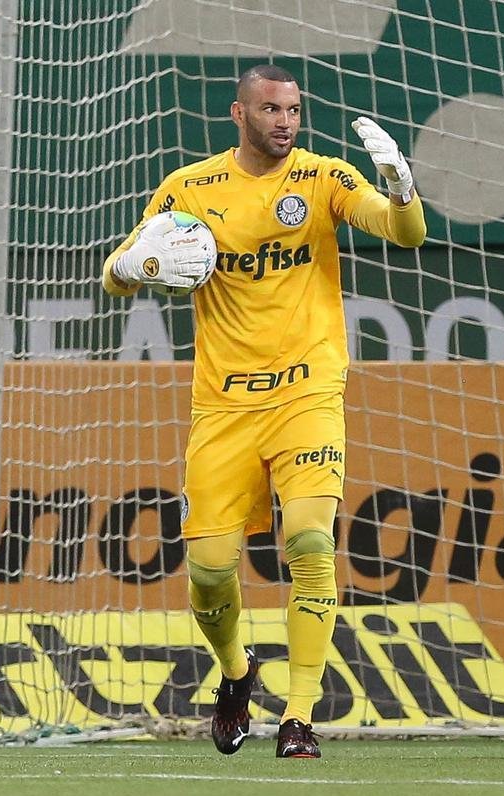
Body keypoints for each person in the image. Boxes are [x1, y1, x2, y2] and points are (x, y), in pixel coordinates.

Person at [102, 64, 426, 758]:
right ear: (238, 114)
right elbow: (117, 272)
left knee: (310, 545)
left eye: (294, 110)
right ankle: (235, 676)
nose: (285, 122)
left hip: (308, 392)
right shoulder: (189, 189)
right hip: (223, 407)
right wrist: (135, 268)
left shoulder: (323, 177)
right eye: (272, 109)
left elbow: (404, 234)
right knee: (212, 572)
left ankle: (299, 718)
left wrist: (399, 187)